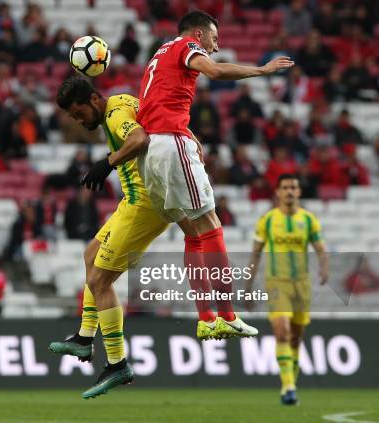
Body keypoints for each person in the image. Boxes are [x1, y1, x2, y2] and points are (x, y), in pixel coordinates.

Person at [130, 11, 290, 339]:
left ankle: (206, 319)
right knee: (212, 225)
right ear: (200, 34)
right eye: (214, 40)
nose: (215, 47)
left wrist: (189, 133)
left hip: (150, 152)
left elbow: (160, 103)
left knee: (192, 231)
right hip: (170, 144)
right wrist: (262, 70)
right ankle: (228, 315)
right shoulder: (188, 45)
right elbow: (215, 72)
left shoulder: (159, 54)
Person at [51, 77, 207, 399]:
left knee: (101, 280)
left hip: (145, 204)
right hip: (135, 199)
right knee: (90, 255)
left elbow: (139, 140)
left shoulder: (113, 116)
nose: (78, 121)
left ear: (94, 99)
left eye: (78, 113)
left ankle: (117, 363)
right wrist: (189, 137)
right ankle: (83, 338)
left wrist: (107, 163)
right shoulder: (125, 100)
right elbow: (156, 122)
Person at [246, 174, 328, 406]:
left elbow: (321, 249)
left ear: (299, 192)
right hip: (276, 283)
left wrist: (324, 268)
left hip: (301, 285)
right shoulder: (268, 220)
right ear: (278, 192)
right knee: (282, 332)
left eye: (294, 187)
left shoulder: (309, 220)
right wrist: (249, 286)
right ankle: (288, 386)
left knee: (296, 337)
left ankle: (291, 381)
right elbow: (255, 254)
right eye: (286, 188)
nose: (290, 191)